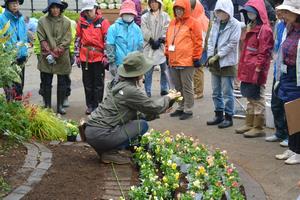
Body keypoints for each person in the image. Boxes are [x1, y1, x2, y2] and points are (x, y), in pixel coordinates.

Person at [80, 51, 180, 164]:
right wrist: (168, 98)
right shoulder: (130, 90)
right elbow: (153, 107)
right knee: (142, 125)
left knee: (137, 121)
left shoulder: (119, 84)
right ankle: (110, 152)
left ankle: (107, 150)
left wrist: (160, 111)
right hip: (101, 135)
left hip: (92, 132)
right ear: (138, 73)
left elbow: (135, 114)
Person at [235, 0, 274, 137]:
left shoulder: (265, 30)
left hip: (256, 70)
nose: (249, 14)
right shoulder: (250, 26)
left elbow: (264, 53)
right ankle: (249, 123)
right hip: (247, 68)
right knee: (250, 97)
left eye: (252, 11)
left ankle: (258, 127)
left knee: (258, 98)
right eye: (248, 12)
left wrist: (258, 69)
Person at [165, 0, 203, 120]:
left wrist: (196, 57)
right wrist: (167, 54)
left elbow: (198, 41)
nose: (178, 11)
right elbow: (168, 40)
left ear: (186, 9)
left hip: (187, 61)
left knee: (186, 86)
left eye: (181, 9)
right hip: (174, 59)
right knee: (177, 87)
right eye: (176, 9)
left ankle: (188, 109)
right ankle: (181, 106)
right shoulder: (172, 23)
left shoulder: (194, 23)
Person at [206, 0, 241, 128]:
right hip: (214, 61)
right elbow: (210, 40)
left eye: (223, 11)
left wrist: (218, 55)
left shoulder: (235, 24)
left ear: (228, 11)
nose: (220, 13)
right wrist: (210, 55)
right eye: (218, 11)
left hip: (227, 62)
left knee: (227, 92)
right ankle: (218, 114)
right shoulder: (215, 22)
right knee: (215, 91)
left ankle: (229, 116)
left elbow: (232, 44)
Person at [274, 0, 300, 164]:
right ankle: (292, 148)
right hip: (287, 75)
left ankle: (298, 151)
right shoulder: (289, 29)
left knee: (297, 114)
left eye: (287, 12)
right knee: (289, 113)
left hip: (297, 78)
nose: (284, 15)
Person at [75, 0, 110, 115]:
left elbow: (107, 40)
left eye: (90, 10)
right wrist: (77, 55)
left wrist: (106, 56)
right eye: (86, 11)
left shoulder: (103, 22)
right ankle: (90, 105)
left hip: (98, 57)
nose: (88, 13)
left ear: (95, 8)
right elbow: (78, 39)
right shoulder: (81, 23)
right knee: (87, 82)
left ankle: (98, 105)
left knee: (98, 83)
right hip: (85, 57)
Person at [36, 0, 72, 114]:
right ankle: (47, 105)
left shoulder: (66, 22)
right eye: (53, 7)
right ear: (49, 9)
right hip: (46, 56)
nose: (55, 10)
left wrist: (56, 52)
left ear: (61, 9)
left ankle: (60, 105)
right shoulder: (42, 21)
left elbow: (67, 39)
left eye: (57, 7)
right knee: (46, 81)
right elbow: (41, 38)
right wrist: (49, 53)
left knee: (62, 81)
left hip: (62, 55)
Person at [265, 3, 289, 146]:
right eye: (276, 10)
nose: (277, 13)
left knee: (288, 105)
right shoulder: (279, 25)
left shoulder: (292, 26)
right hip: (278, 70)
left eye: (280, 10)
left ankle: (289, 136)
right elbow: (276, 46)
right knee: (276, 103)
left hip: (289, 72)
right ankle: (280, 132)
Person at [106, 0, 143, 81]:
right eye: (127, 13)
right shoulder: (113, 28)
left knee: (132, 89)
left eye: (130, 13)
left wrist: (140, 63)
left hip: (133, 65)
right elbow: (110, 46)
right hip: (118, 64)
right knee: (118, 89)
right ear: (121, 14)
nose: (128, 15)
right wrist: (111, 63)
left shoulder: (137, 29)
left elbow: (140, 47)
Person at [0, 0, 28, 101]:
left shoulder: (20, 18)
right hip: (9, 58)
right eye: (12, 3)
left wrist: (25, 50)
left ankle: (18, 109)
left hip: (21, 57)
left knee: (20, 84)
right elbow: (1, 37)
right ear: (7, 4)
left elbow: (24, 36)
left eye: (17, 3)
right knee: (10, 86)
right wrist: (11, 50)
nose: (15, 5)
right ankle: (11, 108)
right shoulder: (2, 18)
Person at [141, 0, 170, 97]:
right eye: (151, 2)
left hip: (161, 46)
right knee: (148, 71)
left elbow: (167, 28)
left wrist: (161, 39)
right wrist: (151, 40)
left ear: (159, 3)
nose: (153, 4)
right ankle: (147, 91)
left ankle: (164, 88)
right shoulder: (145, 17)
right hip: (149, 46)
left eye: (155, 2)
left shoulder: (165, 16)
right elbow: (144, 29)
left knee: (164, 70)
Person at [191, 0, 209, 99]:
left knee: (197, 71)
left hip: (199, 49)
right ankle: (197, 90)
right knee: (197, 71)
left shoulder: (199, 20)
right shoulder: (202, 18)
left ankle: (198, 92)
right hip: (199, 48)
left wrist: (197, 53)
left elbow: (201, 38)